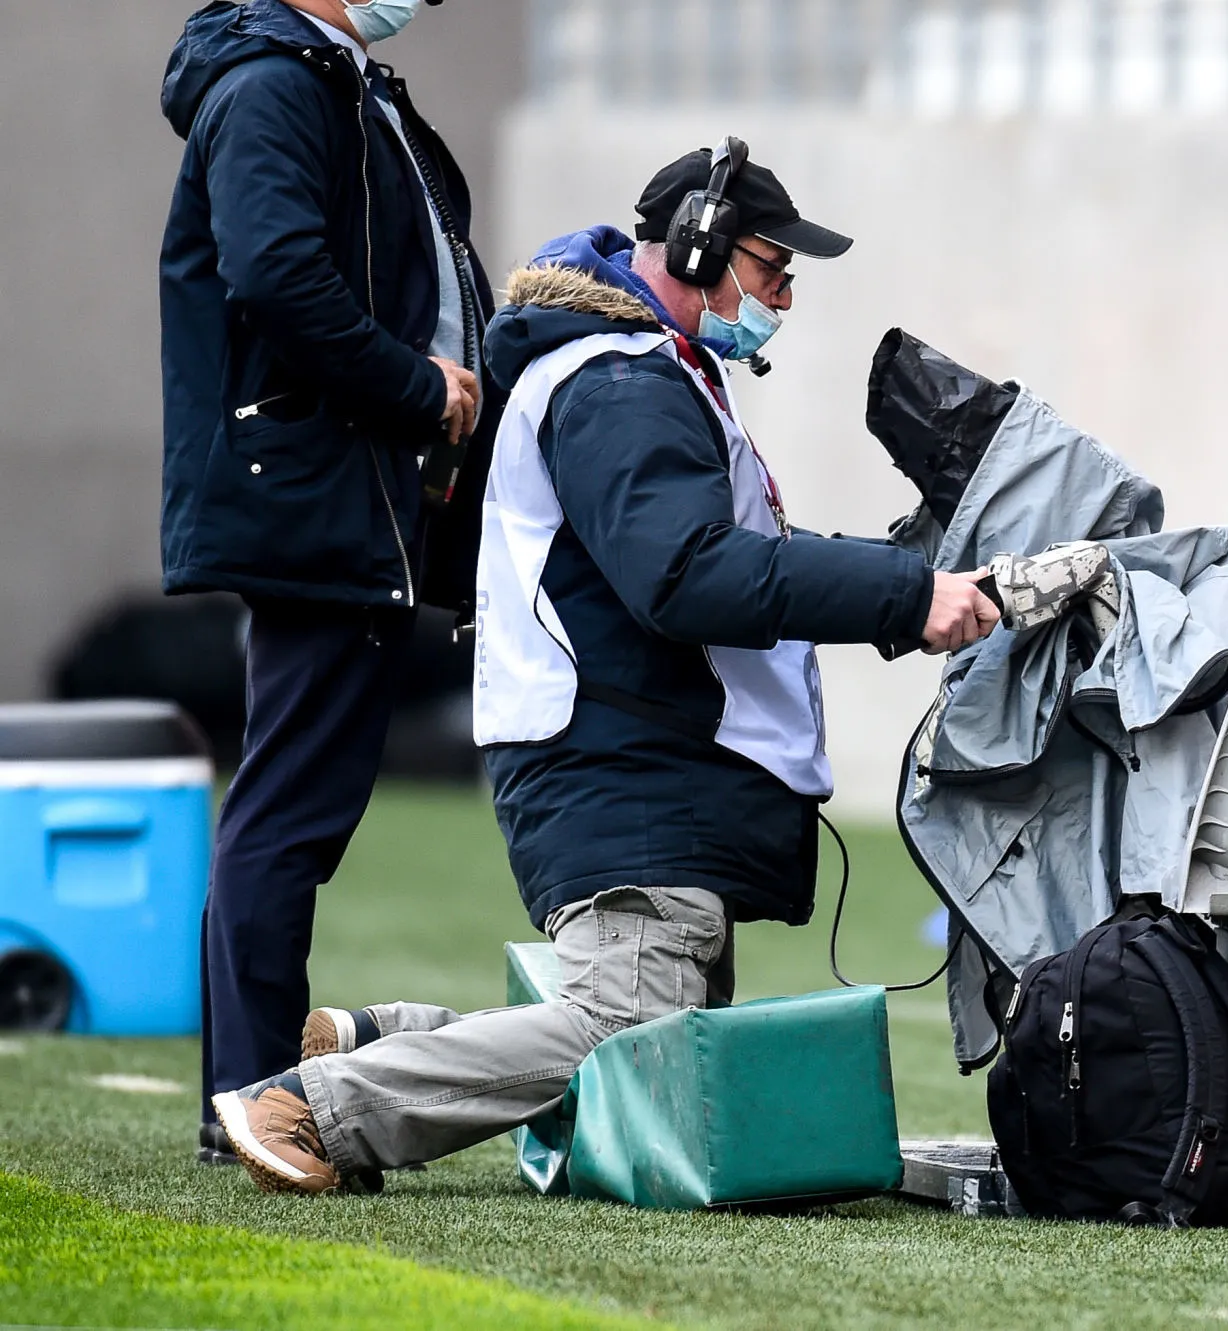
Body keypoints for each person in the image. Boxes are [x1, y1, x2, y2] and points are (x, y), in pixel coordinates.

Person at [210, 144, 999, 1194]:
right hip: (625, 758)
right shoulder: (621, 381)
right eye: (770, 268)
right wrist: (902, 593)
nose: (784, 296)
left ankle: (370, 1039)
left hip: (629, 753)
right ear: (699, 245)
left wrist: (900, 578)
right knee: (627, 1031)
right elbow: (684, 573)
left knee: (649, 1039)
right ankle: (321, 1107)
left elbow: (709, 550)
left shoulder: (639, 372)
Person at [160, 0, 498, 1166]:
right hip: (312, 491)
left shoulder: (338, 79)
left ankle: (249, 1088)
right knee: (284, 809)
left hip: (350, 494)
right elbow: (277, 275)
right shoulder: (271, 84)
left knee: (294, 804)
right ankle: (250, 1101)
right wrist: (416, 385)